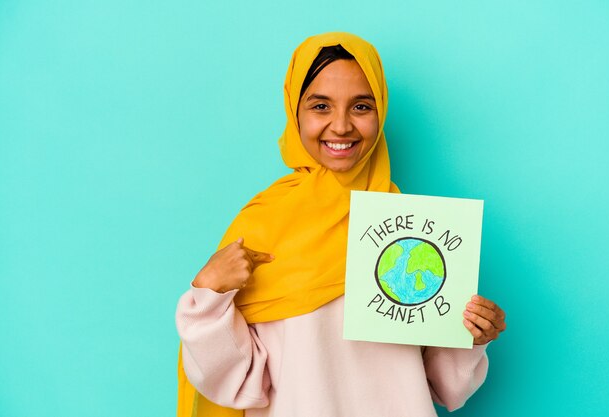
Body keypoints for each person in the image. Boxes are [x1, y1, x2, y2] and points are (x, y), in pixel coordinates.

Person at [176, 32, 506, 417]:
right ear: (294, 111)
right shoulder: (262, 224)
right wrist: (207, 298)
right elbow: (241, 382)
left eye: (361, 106)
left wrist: (469, 336)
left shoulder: (414, 230)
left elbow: (445, 387)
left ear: (380, 112)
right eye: (320, 106)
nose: (341, 126)